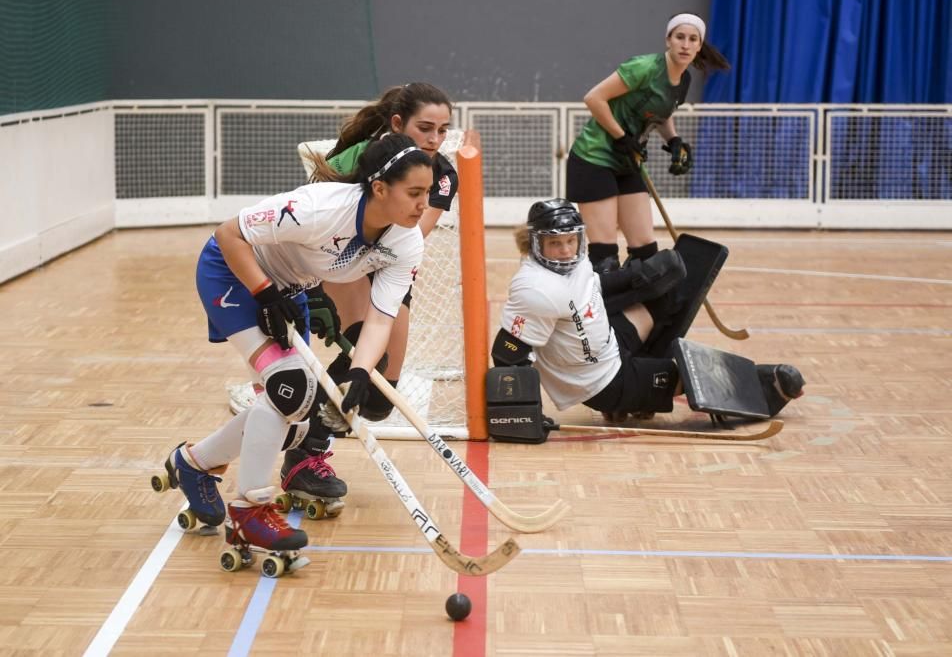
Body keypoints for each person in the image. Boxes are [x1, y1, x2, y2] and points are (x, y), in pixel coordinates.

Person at [159, 134, 431, 558]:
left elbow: (381, 317)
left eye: (427, 193)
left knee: (294, 414)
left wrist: (359, 372)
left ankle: (193, 462)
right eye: (414, 193)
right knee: (292, 389)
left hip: (288, 290)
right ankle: (249, 511)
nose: (423, 204)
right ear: (380, 188)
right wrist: (264, 294)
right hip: (231, 273)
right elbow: (229, 234)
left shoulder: (407, 241)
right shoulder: (320, 208)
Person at [227, 83, 457, 514]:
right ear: (397, 125)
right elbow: (312, 226)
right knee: (356, 354)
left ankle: (314, 417)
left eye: (444, 130)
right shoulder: (358, 162)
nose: (435, 139)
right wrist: (312, 289)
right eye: (425, 128)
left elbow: (412, 237)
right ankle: (304, 455)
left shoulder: (441, 174)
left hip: (389, 261)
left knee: (379, 389)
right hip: (341, 258)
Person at [491, 199, 804, 423]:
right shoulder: (535, 289)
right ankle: (765, 388)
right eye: (555, 244)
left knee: (670, 295)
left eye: (571, 241)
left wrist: (636, 278)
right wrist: (523, 415)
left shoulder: (574, 260)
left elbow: (592, 286)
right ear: (536, 245)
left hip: (611, 339)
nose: (566, 250)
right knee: (693, 378)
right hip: (605, 381)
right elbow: (507, 352)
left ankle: (640, 387)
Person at [566, 12, 730, 274]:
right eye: (679, 37)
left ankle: (635, 312)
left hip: (627, 159)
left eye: (692, 39)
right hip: (594, 158)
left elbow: (661, 115)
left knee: (646, 254)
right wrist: (621, 137)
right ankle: (601, 314)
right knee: (605, 258)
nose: (685, 45)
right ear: (668, 40)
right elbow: (594, 98)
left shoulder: (683, 80)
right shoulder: (644, 68)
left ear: (700, 46)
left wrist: (674, 140)